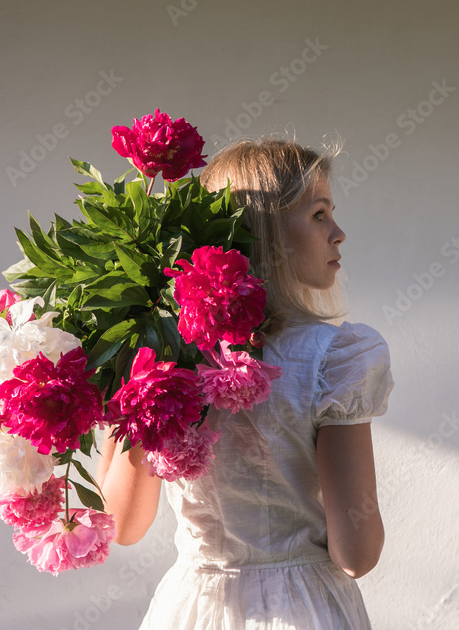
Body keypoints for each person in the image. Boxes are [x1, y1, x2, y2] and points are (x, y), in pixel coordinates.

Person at [96, 138, 395, 629]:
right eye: (319, 214)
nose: (338, 234)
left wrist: (135, 372)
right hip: (303, 608)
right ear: (266, 233)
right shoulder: (333, 358)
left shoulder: (156, 360)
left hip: (194, 607)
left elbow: (123, 525)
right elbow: (356, 554)